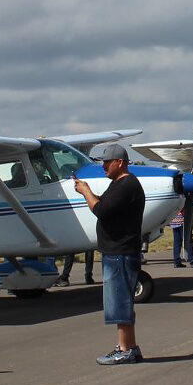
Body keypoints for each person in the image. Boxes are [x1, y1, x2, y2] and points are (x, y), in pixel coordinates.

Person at [73, 144, 146, 366]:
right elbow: (105, 205)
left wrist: (86, 192)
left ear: (120, 162)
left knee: (119, 303)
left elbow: (101, 210)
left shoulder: (126, 185)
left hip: (120, 253)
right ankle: (128, 346)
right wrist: (87, 190)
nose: (103, 166)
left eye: (107, 162)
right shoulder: (118, 185)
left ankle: (125, 350)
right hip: (117, 252)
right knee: (119, 302)